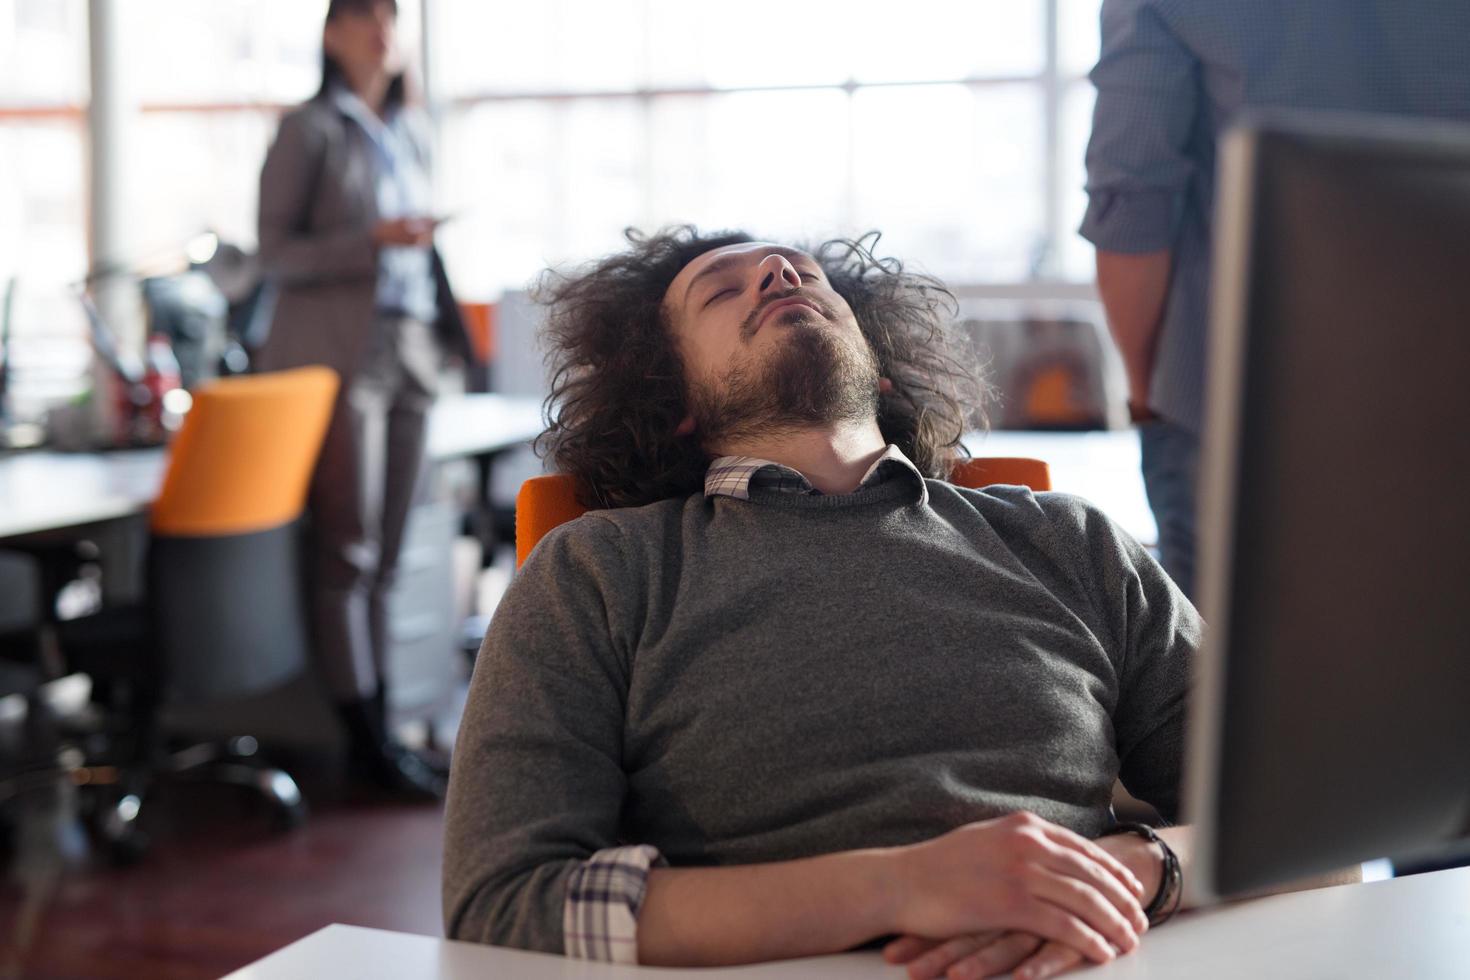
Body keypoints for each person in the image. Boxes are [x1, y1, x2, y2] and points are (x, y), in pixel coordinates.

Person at [444, 227, 1215, 979]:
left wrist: (1139, 868)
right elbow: (504, 896)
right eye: (721, 291)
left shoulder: (1067, 539)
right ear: (675, 397)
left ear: (877, 366)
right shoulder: (599, 570)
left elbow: (1291, 815)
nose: (780, 273)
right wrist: (905, 885)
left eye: (808, 276)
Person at [1082, 0, 1470, 600]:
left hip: (1234, 407)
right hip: (1446, 391)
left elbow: (1133, 211)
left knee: (1223, 674)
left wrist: (1145, 402)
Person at [256, 0, 472, 800]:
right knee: (346, 549)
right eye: (362, 13)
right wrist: (373, 241)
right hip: (340, 353)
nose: (381, 26)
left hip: (411, 345)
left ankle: (383, 730)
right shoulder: (308, 130)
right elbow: (273, 254)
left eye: (390, 12)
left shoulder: (409, 126)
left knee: (387, 549)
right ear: (330, 32)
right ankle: (363, 734)